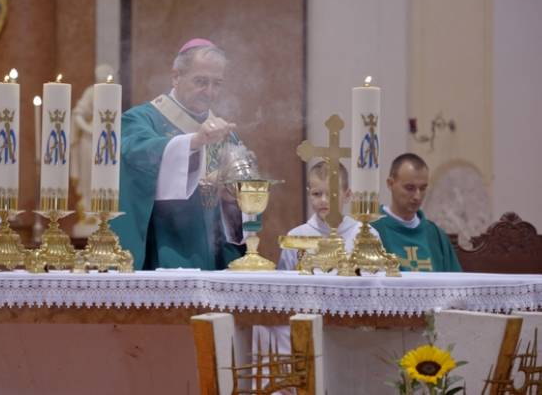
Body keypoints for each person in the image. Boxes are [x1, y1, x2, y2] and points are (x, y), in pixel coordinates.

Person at [112, 38, 245, 270]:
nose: (210, 92)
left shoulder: (224, 133)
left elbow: (241, 206)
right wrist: (194, 142)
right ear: (176, 77)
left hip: (214, 259)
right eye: (201, 82)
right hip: (161, 251)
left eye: (217, 83)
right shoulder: (140, 119)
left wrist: (233, 197)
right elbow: (136, 156)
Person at [278, 160, 380, 270]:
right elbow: (285, 282)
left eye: (332, 194)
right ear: (309, 194)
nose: (323, 200)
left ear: (347, 195)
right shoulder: (294, 237)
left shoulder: (367, 235)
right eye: (316, 194)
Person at [372, 153, 462, 272]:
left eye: (423, 188)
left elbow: (455, 283)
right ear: (390, 183)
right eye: (410, 188)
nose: (417, 196)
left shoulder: (435, 235)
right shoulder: (372, 229)